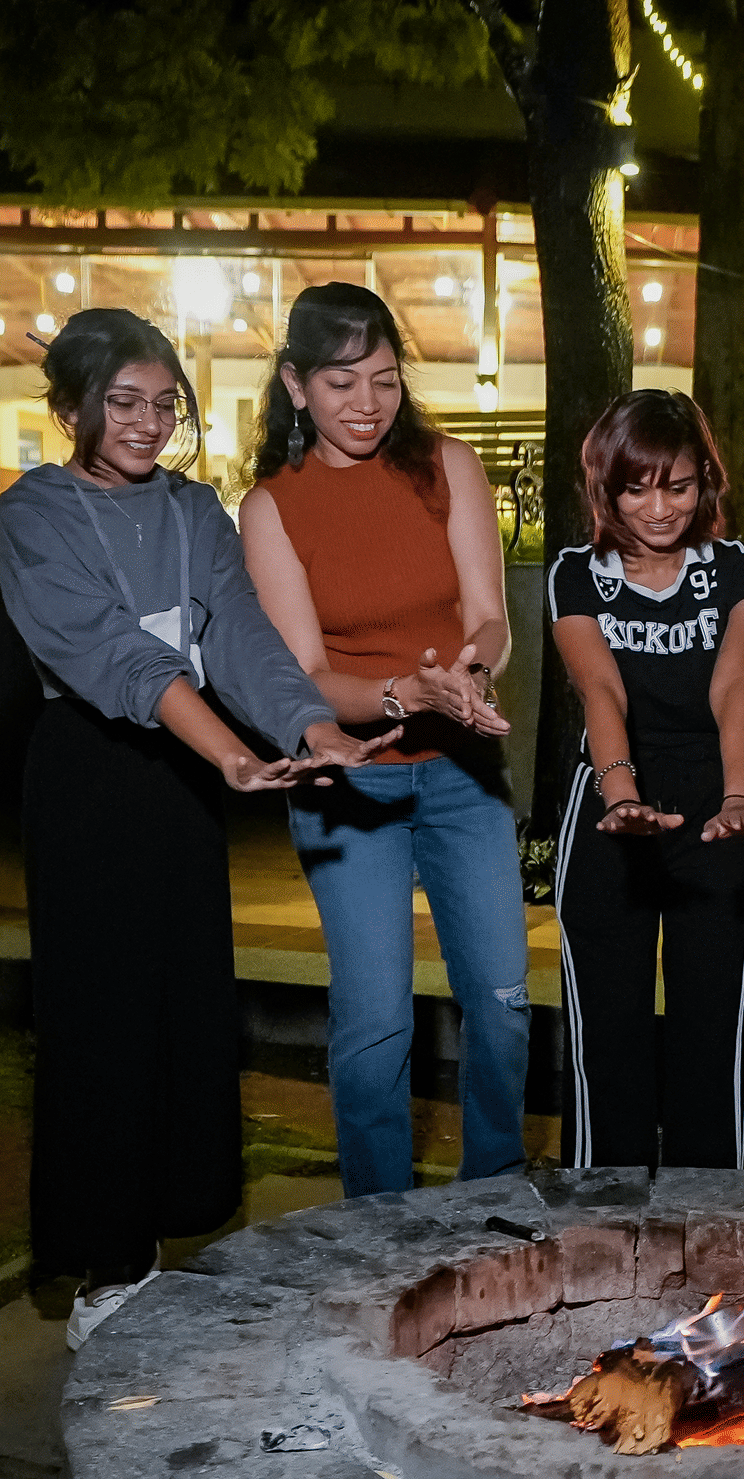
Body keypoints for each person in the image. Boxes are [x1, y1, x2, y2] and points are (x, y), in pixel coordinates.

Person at [0, 308, 389, 1349]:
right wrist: (225, 749)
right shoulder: (35, 511)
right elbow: (117, 656)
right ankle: (105, 1268)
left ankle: (169, 1232)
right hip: (88, 774)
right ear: (73, 405)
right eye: (122, 402)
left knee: (184, 1008)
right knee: (101, 1018)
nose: (147, 423)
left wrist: (314, 726)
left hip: (180, 776)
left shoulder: (193, 510)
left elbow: (244, 636)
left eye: (164, 404)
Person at [239, 283, 530, 1200]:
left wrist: (468, 681)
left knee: (503, 1006)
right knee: (374, 1028)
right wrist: (409, 692)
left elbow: (489, 619)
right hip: (349, 786)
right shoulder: (272, 506)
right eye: (340, 382)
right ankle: (379, 1235)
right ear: (295, 386)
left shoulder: (450, 466)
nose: (367, 404)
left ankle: (494, 1203)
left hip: (463, 775)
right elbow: (305, 678)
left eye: (384, 380)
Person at [548, 390, 744, 1170]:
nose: (658, 507)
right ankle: (601, 1220)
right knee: (608, 1031)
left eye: (677, 485)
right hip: (611, 801)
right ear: (605, 488)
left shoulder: (740, 570)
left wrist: (741, 794)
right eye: (636, 487)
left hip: (718, 804)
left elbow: (733, 681)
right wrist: (621, 797)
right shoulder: (577, 574)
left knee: (710, 1030)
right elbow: (600, 688)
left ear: (703, 483)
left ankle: (718, 1221)